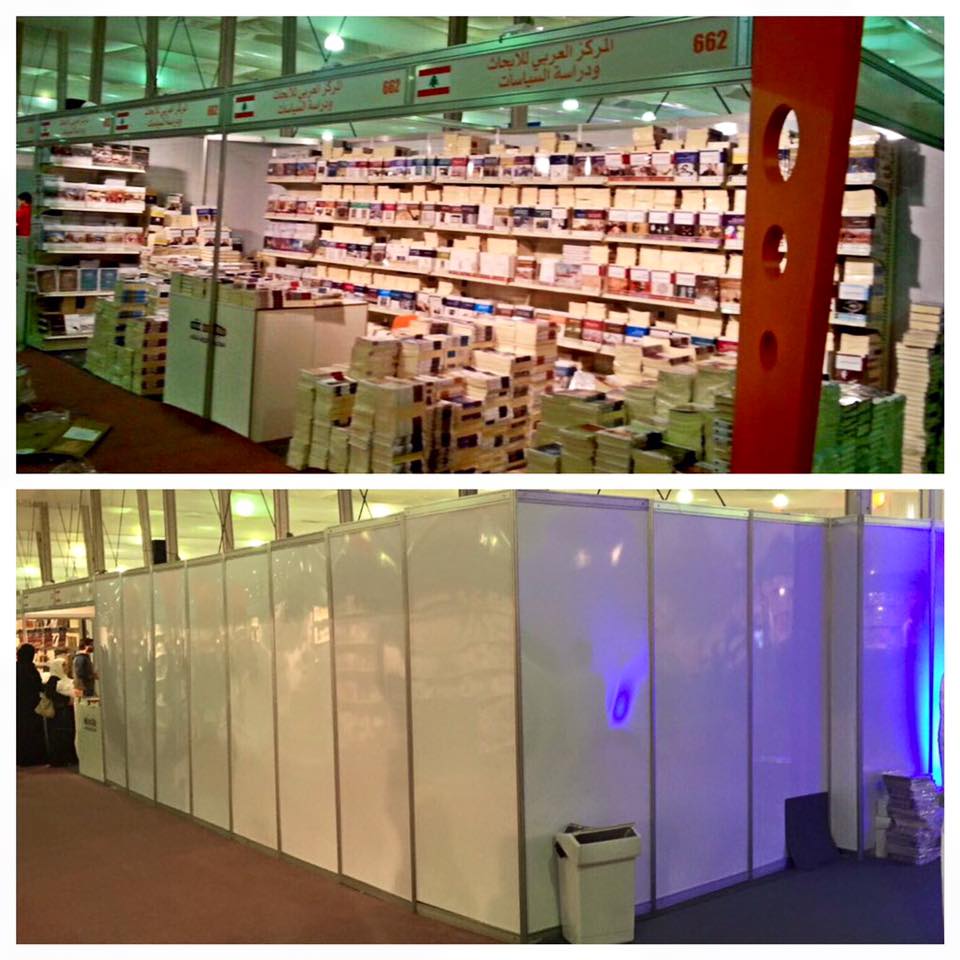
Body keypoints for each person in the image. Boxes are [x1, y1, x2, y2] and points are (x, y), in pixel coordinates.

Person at [42, 659, 78, 767]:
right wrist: (66, 699)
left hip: (64, 711)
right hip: (59, 712)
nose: (66, 668)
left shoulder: (63, 678)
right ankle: (60, 758)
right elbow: (51, 694)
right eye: (63, 666)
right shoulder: (54, 680)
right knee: (60, 735)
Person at [16, 644, 47, 766]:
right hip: (32, 704)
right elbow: (38, 685)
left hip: (18, 705)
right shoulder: (31, 669)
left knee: (20, 731)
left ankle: (21, 757)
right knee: (33, 732)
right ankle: (34, 757)